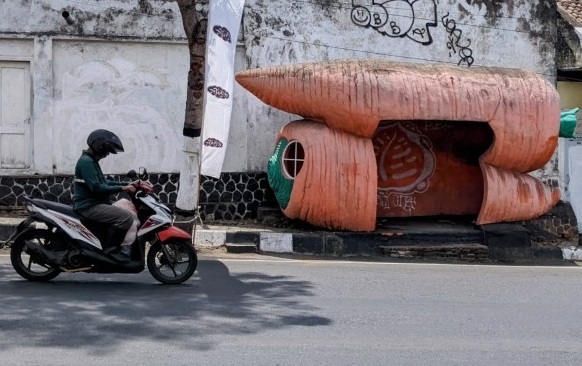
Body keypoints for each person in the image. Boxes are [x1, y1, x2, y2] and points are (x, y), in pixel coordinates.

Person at [73, 129, 138, 263]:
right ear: (100, 146)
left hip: (94, 203)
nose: (107, 154)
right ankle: (111, 251)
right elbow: (97, 188)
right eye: (107, 150)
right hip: (89, 206)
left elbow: (104, 182)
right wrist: (121, 188)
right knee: (125, 217)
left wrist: (126, 184)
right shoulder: (87, 163)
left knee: (125, 206)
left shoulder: (91, 161)